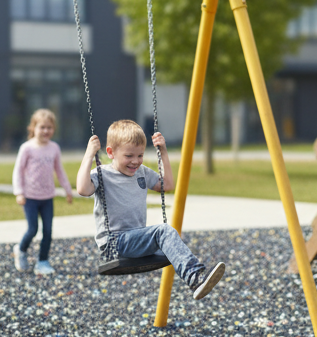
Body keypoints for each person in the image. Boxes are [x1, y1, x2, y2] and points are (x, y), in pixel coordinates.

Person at [76, 119, 224, 299]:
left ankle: (195, 276)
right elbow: (83, 189)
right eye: (129, 156)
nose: (135, 161)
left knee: (174, 244)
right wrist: (89, 154)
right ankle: (195, 278)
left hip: (135, 239)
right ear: (110, 152)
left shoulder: (142, 173)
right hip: (114, 244)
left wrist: (162, 151)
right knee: (165, 233)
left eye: (140, 155)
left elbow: (167, 184)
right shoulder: (102, 174)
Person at [12, 108, 74, 275]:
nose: (46, 131)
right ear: (33, 128)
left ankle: (43, 261)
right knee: (32, 229)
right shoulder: (27, 148)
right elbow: (18, 170)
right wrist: (19, 192)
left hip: (47, 197)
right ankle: (21, 249)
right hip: (30, 197)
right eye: (42, 127)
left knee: (48, 230)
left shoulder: (54, 148)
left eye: (49, 127)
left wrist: (68, 190)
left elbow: (59, 170)